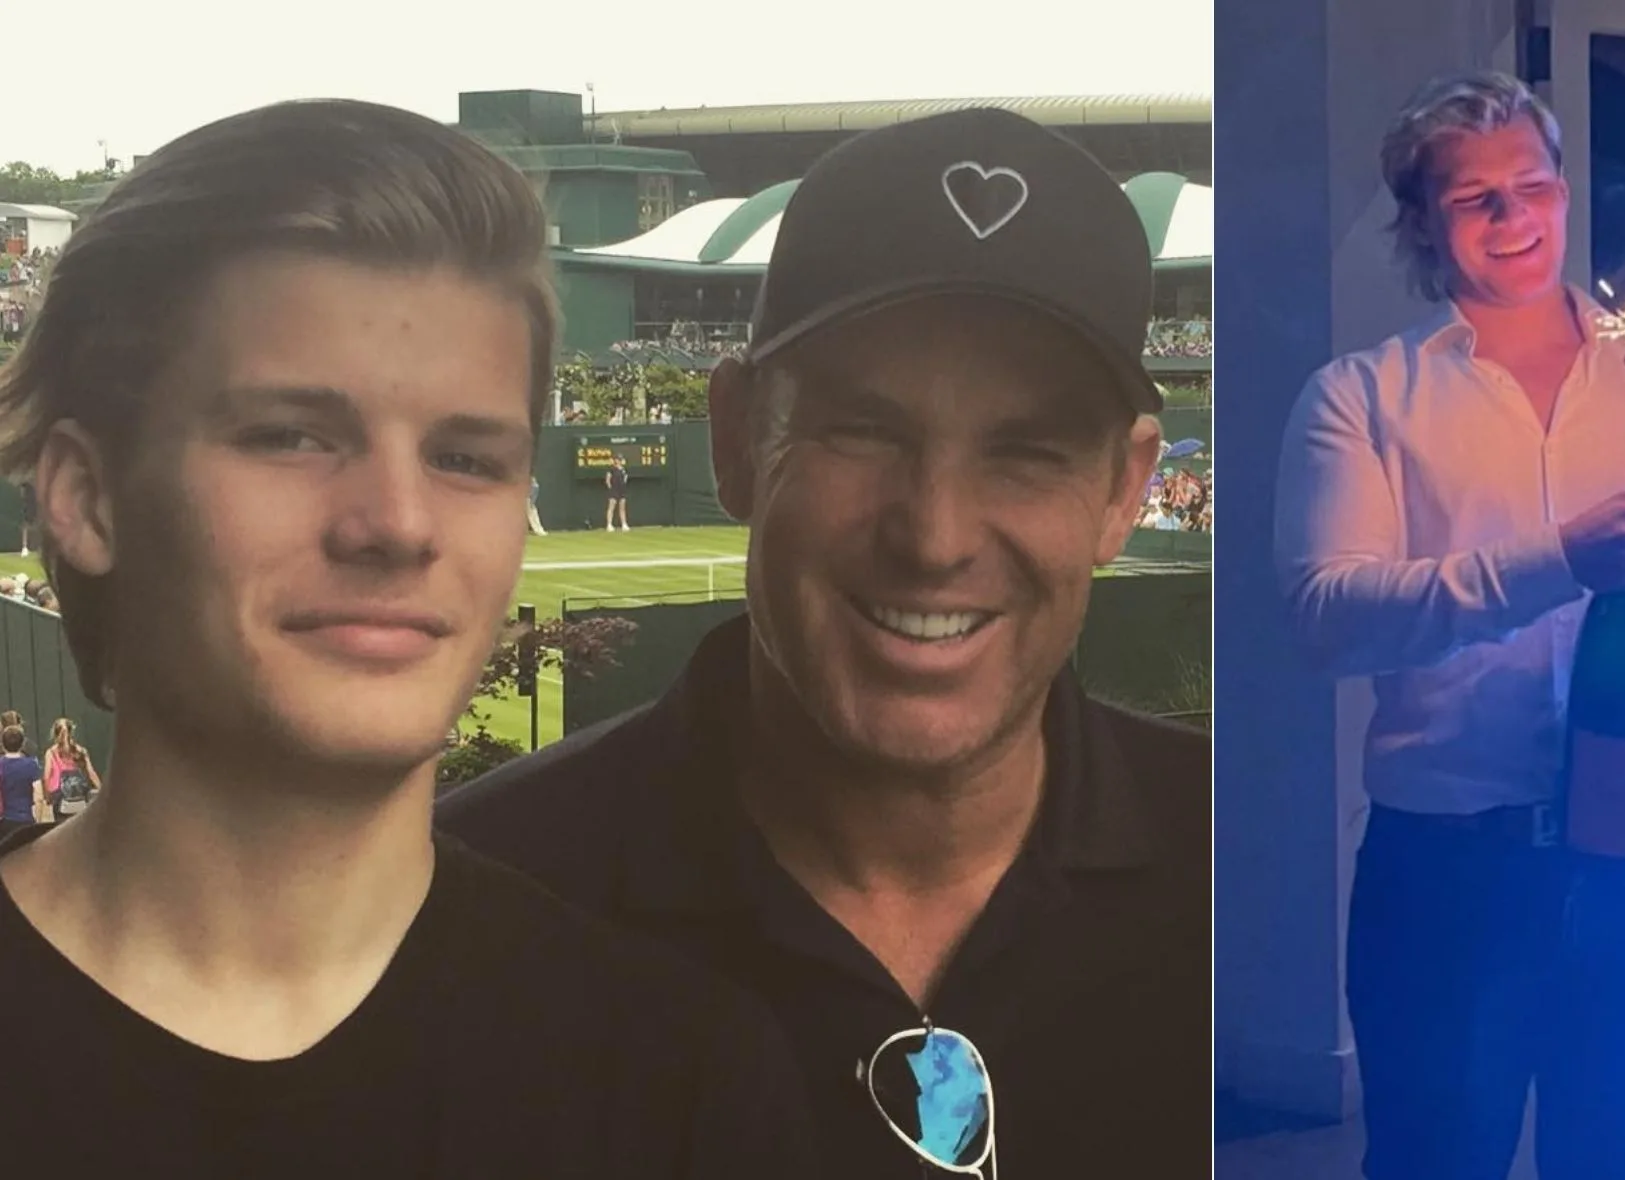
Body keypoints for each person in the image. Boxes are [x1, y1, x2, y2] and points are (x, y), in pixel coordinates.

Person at [0, 98, 814, 1177]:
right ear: (87, 497)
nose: (398, 522)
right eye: (290, 436)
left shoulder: (684, 1087)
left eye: (467, 458)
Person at [440, 107, 1211, 1178]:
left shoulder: (1248, 891)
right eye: (862, 430)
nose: (934, 534)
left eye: (1026, 450)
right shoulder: (461, 929)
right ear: (737, 440)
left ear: (1126, 490)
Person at [1273, 71, 1625, 1180]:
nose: (1516, 218)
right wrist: (1562, 562)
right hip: (1448, 873)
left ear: (1566, 191)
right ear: (1425, 222)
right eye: (1477, 199)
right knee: (1431, 1160)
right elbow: (1327, 617)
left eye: (1534, 185)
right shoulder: (1362, 398)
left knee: (1620, 1160)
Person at [40, 718, 100, 824]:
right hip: (80, 796)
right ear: (72, 732)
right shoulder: (80, 751)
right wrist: (100, 790)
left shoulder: (51, 753)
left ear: (54, 733)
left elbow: (46, 777)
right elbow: (92, 773)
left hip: (59, 797)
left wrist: (47, 797)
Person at [0, 724, 40, 836]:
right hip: (26, 820)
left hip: (5, 820)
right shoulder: (32, 764)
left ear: (3, 744)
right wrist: (39, 819)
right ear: (23, 744)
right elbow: (39, 796)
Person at [604, 453, 629, 531]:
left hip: (622, 490)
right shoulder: (611, 469)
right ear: (615, 460)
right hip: (614, 490)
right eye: (618, 459)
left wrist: (623, 486)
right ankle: (609, 525)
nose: (619, 461)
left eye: (620, 459)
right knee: (611, 507)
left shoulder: (623, 470)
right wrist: (611, 488)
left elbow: (625, 479)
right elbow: (608, 480)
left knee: (622, 507)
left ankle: (624, 524)